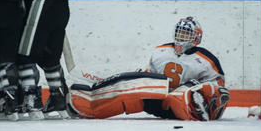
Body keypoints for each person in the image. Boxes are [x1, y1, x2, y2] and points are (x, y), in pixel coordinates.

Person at [68, 17, 230, 121]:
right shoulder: (161, 51)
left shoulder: (207, 60)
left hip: (187, 108)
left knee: (183, 93)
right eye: (179, 33)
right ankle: (90, 106)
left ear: (196, 37)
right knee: (134, 83)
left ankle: (190, 102)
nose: (181, 38)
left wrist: (199, 93)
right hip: (158, 104)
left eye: (185, 34)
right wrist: (139, 78)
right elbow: (150, 77)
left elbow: (219, 89)